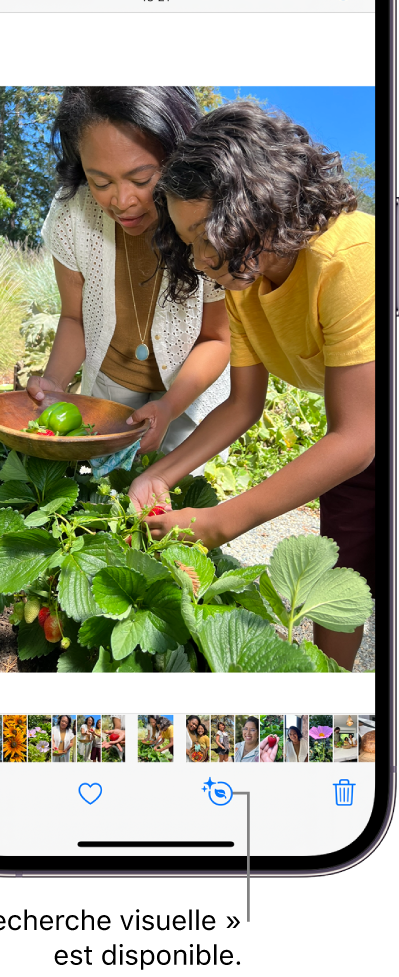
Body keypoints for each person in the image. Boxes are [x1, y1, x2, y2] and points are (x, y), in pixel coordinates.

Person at [130, 101, 375, 669]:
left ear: (259, 202)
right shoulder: (244, 279)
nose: (198, 257)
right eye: (187, 240)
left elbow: (357, 436)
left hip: (368, 430)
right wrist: (159, 474)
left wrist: (223, 519)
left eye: (206, 234)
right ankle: (330, 706)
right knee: (341, 584)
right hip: (370, 433)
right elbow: (243, 404)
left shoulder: (354, 256)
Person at [27, 87, 231, 463]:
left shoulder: (208, 220)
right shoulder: (72, 213)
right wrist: (54, 383)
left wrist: (169, 406)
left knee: (174, 499)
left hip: (190, 393)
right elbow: (75, 318)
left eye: (141, 180)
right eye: (100, 182)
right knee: (103, 491)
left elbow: (216, 339)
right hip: (110, 383)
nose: (121, 201)